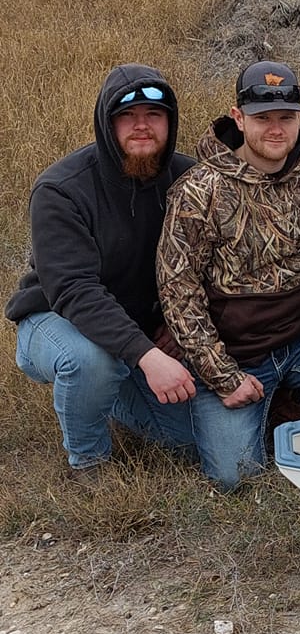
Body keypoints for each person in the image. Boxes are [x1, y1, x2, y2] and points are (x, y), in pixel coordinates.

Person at [156, 62, 300, 488]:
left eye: (287, 117)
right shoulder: (199, 190)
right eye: (263, 118)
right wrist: (222, 376)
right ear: (238, 117)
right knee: (236, 476)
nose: (276, 129)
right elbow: (178, 289)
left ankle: (291, 400)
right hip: (236, 352)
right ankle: (133, 402)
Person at [6, 65, 198, 477]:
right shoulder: (61, 189)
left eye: (154, 114)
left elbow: (212, 267)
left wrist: (175, 325)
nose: (141, 126)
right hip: (55, 320)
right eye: (127, 116)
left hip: (140, 329)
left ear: (171, 121)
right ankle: (88, 461)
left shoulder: (191, 179)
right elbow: (75, 291)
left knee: (189, 443)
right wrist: (147, 355)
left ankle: (110, 391)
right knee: (90, 361)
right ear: (106, 123)